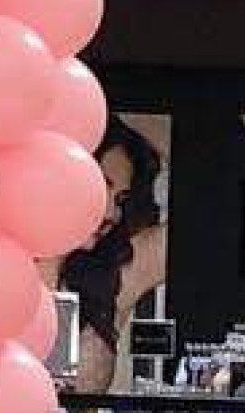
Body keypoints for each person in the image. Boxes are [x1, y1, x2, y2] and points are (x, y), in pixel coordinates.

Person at [61, 119, 166, 390]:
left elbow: (206, 207)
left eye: (120, 200)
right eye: (101, 185)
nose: (111, 213)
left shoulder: (117, 275)